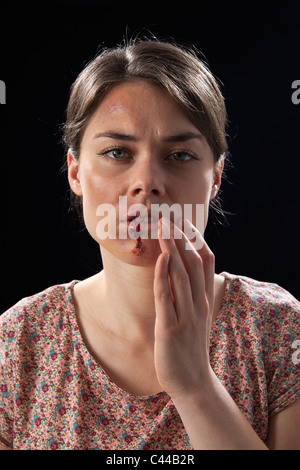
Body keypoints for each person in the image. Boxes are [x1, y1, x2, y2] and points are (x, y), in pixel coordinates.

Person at [0, 39, 299, 451]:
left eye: (179, 155)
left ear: (215, 177)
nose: (147, 182)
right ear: (75, 173)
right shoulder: (17, 342)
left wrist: (194, 384)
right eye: (117, 152)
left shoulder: (280, 330)